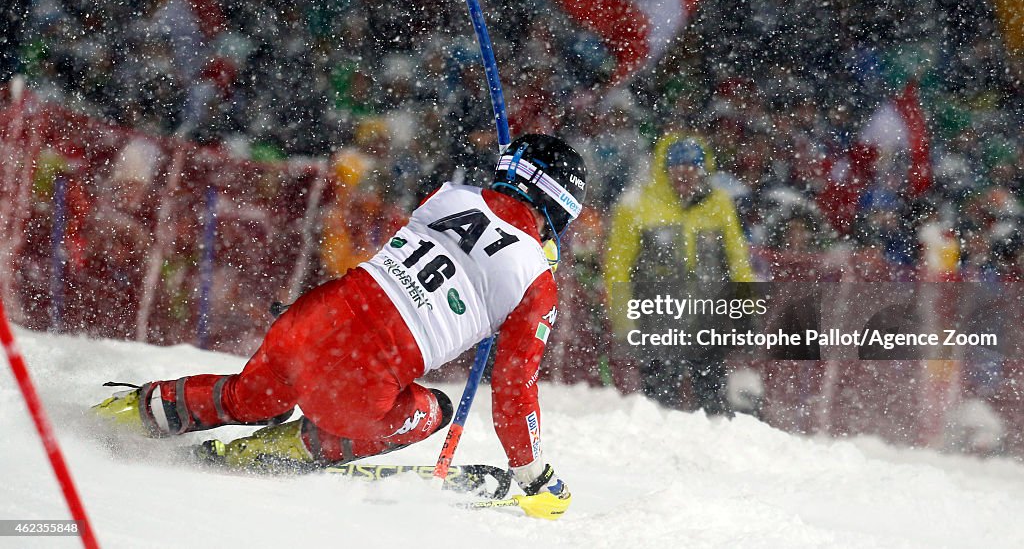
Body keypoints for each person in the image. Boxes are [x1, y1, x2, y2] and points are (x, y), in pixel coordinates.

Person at [92, 134, 585, 519]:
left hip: (306, 325)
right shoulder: (537, 284)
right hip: (357, 387)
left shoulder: (447, 194)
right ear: (561, 212)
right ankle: (278, 452)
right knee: (435, 407)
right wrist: (534, 476)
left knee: (249, 397)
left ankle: (137, 411)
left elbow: (483, 226)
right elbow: (513, 388)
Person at [604, 133, 754, 415]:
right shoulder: (636, 206)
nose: (685, 178)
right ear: (665, 171)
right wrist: (624, 320)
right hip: (656, 321)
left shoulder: (718, 204)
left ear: (703, 172)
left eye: (692, 171)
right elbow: (618, 266)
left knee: (715, 406)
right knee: (661, 406)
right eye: (678, 171)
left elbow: (738, 260)